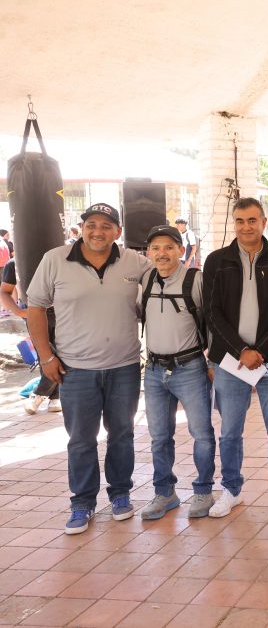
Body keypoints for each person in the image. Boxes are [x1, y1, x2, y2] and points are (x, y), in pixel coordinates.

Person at [26, 203, 151, 534]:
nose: (98, 231)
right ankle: (82, 502)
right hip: (75, 369)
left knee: (122, 434)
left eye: (106, 226)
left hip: (124, 367)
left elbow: (167, 278)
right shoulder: (55, 259)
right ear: (81, 227)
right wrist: (46, 357)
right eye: (91, 224)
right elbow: (35, 308)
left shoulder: (135, 262)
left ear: (118, 232)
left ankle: (121, 494)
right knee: (81, 439)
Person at [203, 198, 268, 519]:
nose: (246, 227)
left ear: (264, 222)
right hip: (231, 362)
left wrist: (262, 351)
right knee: (230, 431)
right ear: (234, 223)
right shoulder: (217, 261)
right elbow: (212, 312)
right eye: (240, 221)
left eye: (252, 220)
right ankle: (231, 489)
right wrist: (241, 350)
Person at [139, 225, 217, 520]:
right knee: (159, 436)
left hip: (190, 367)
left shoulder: (195, 280)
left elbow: (213, 321)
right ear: (149, 252)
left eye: (169, 247)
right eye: (156, 248)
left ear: (181, 250)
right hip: (154, 370)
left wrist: (212, 363)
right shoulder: (146, 279)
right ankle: (165, 493)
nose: (162, 253)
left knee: (202, 433)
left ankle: (203, 490)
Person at [1, 260, 62, 414]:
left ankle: (45, 394)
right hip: (34, 314)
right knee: (45, 355)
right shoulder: (15, 264)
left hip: (63, 314)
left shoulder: (59, 259)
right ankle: (53, 396)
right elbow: (4, 291)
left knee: (62, 356)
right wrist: (19, 311)